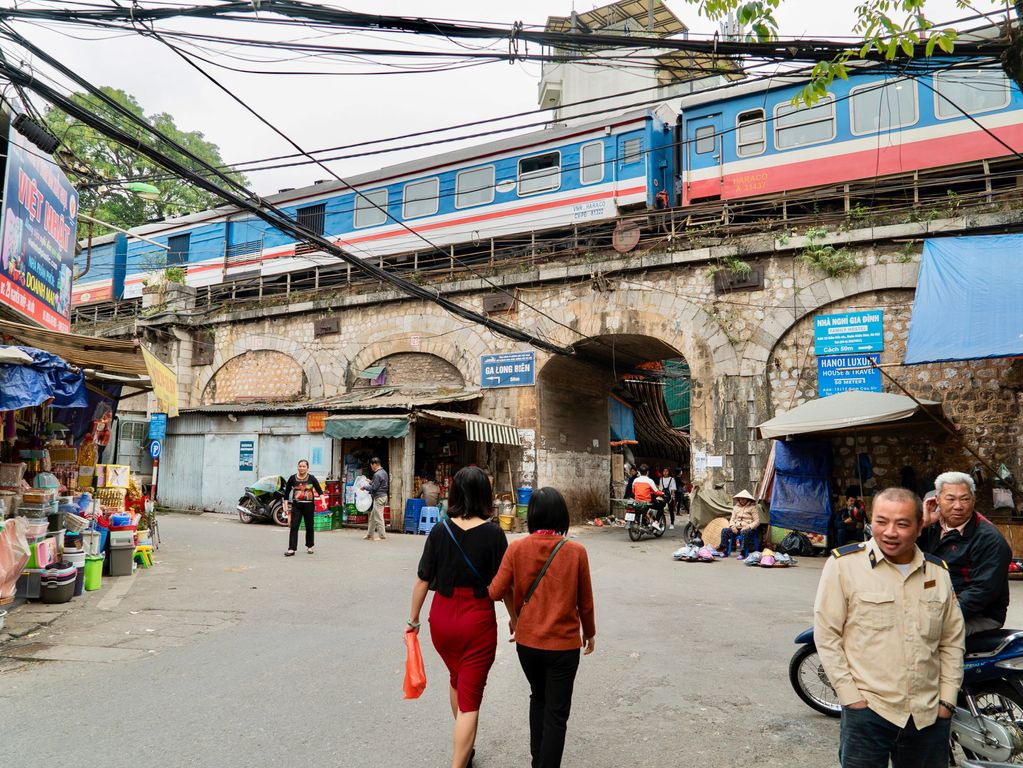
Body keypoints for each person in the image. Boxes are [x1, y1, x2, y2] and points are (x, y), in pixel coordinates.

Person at [814, 487, 964, 768]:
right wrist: (851, 698)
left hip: (927, 714)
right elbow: (827, 635)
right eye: (881, 522)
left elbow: (951, 641)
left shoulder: (937, 572)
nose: (890, 532)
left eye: (902, 524)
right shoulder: (843, 566)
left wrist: (947, 701)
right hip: (869, 711)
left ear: (920, 526)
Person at [408, 467, 513, 768]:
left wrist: (413, 621)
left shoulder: (440, 530)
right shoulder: (494, 534)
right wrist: (515, 619)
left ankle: (465, 745)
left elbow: (422, 579)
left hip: (441, 619)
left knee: (457, 679)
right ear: (485, 495)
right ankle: (459, 761)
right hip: (476, 621)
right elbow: (506, 586)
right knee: (470, 702)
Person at [489, 487, 596, 768]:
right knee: (557, 714)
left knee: (538, 697)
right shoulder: (576, 552)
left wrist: (515, 616)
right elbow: (585, 601)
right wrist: (590, 633)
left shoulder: (516, 549)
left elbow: (495, 590)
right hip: (563, 647)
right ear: (562, 515)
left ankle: (538, 759)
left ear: (533, 514)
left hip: (528, 644)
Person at [919, 470, 1012, 635]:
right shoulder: (930, 526)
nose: (958, 506)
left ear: (973, 500)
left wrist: (938, 616)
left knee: (925, 637)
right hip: (932, 603)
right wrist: (920, 526)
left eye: (965, 499)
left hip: (977, 614)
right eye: (950, 499)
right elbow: (899, 556)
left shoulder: (989, 539)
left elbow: (982, 592)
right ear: (937, 500)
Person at [283, 459, 323, 557]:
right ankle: (291, 549)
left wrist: (323, 502)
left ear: (307, 468)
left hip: (309, 505)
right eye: (300, 466)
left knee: (309, 526)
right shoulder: (292, 478)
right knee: (294, 526)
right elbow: (286, 494)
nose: (301, 468)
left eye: (304, 466)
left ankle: (310, 546)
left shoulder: (312, 478)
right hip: (297, 505)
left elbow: (319, 491)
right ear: (298, 467)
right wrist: (285, 506)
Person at [718, 489, 759, 555]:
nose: (742, 500)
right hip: (736, 529)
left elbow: (757, 521)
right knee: (724, 531)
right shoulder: (736, 508)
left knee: (744, 532)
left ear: (748, 499)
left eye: (744, 499)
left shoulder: (752, 508)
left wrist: (748, 527)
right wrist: (732, 526)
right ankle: (725, 550)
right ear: (738, 499)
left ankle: (742, 552)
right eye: (741, 499)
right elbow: (732, 519)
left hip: (748, 529)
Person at [366, 457, 389, 541]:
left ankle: (382, 536)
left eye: (371, 465)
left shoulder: (377, 474)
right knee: (372, 517)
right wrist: (370, 481)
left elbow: (374, 488)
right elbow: (379, 484)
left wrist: (364, 487)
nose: (371, 467)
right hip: (383, 496)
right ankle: (369, 534)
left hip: (379, 497)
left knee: (378, 517)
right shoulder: (384, 472)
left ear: (375, 464)